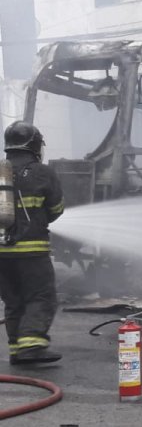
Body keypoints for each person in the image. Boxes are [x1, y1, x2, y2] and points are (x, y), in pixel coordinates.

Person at [0, 122, 64, 365]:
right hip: (32, 252)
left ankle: (17, 350)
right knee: (41, 297)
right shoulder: (42, 172)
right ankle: (31, 346)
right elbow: (56, 209)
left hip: (1, 253)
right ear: (35, 145)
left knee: (13, 301)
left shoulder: (1, 172)